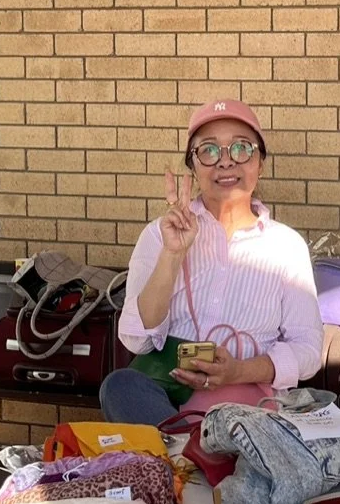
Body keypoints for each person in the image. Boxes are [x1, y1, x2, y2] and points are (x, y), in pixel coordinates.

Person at [100, 99, 324, 424]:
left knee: (239, 426)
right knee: (119, 386)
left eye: (242, 149)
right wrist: (172, 254)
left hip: (247, 406)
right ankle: (191, 452)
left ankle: (186, 455)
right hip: (165, 399)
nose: (225, 163)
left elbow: (307, 351)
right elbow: (135, 339)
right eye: (208, 150)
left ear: (260, 163)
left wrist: (238, 372)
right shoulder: (158, 235)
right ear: (192, 165)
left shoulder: (286, 246)